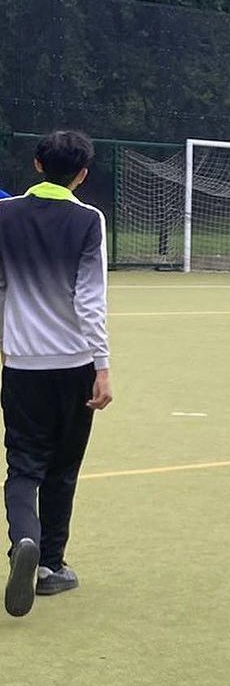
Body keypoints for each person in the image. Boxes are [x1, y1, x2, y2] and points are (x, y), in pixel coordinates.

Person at [0, 130, 113, 618]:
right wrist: (102, 366)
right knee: (62, 469)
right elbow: (90, 299)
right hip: (72, 365)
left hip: (21, 365)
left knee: (23, 465)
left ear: (37, 165)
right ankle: (50, 566)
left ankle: (23, 537)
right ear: (82, 175)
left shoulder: (4, 216)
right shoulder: (89, 220)